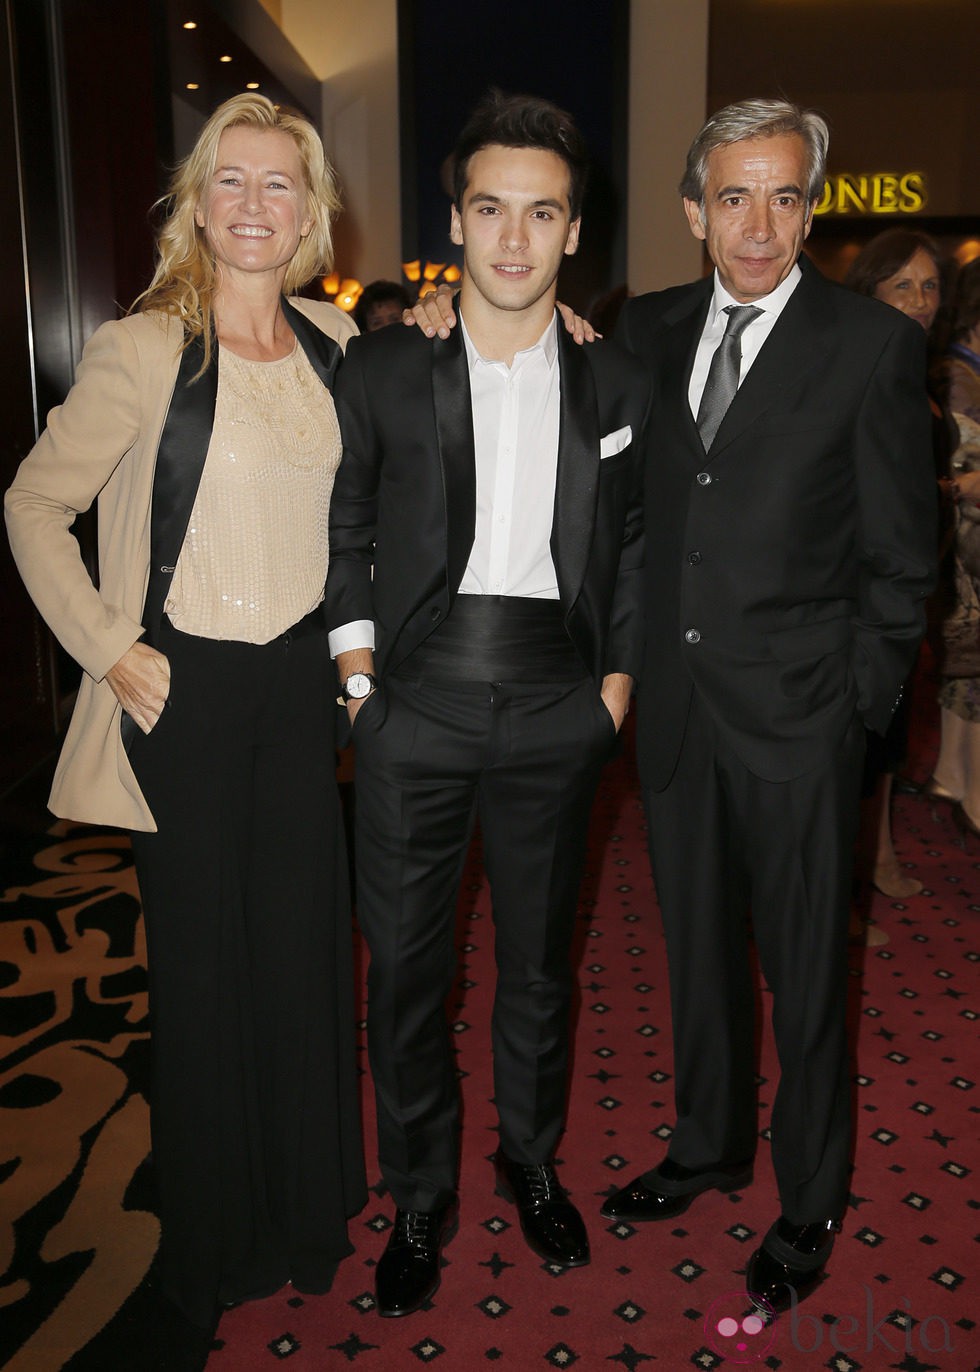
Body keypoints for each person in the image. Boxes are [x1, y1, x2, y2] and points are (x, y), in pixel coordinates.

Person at [5, 94, 366, 1365]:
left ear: (311, 212)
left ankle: (308, 1216)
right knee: (205, 982)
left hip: (297, 697)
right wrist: (108, 649)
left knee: (305, 959)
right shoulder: (141, 347)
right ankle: (212, 1240)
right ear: (198, 202)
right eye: (234, 182)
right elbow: (31, 505)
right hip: (183, 691)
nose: (257, 205)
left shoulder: (337, 341)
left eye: (282, 185)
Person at [598, 99, 936, 1316]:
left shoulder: (866, 347)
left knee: (804, 973)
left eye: (784, 196)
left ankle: (808, 1196)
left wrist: (855, 708)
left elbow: (903, 558)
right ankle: (705, 1144)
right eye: (733, 196)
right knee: (692, 952)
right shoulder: (643, 329)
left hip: (802, 719)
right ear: (693, 210)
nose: (758, 224)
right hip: (678, 711)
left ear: (809, 206)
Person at [324, 90, 649, 1318]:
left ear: (574, 233)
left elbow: (631, 539)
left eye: (542, 213)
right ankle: (418, 1192)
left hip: (558, 706)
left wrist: (612, 688)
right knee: (405, 972)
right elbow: (346, 524)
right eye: (490, 209)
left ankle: (526, 1154)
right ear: (456, 220)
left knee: (536, 966)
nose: (514, 238)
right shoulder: (389, 361)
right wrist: (359, 683)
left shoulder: (610, 378)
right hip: (413, 702)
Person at [843, 229, 953, 910]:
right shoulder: (855, 370)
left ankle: (876, 858)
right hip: (856, 597)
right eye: (902, 285)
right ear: (871, 292)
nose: (919, 300)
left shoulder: (920, 369)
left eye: (930, 285)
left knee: (883, 748)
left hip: (904, 593)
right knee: (854, 754)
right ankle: (847, 898)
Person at [923, 257, 980, 834]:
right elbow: (958, 474)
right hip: (964, 549)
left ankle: (958, 781)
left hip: (964, 547)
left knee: (965, 677)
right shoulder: (958, 376)